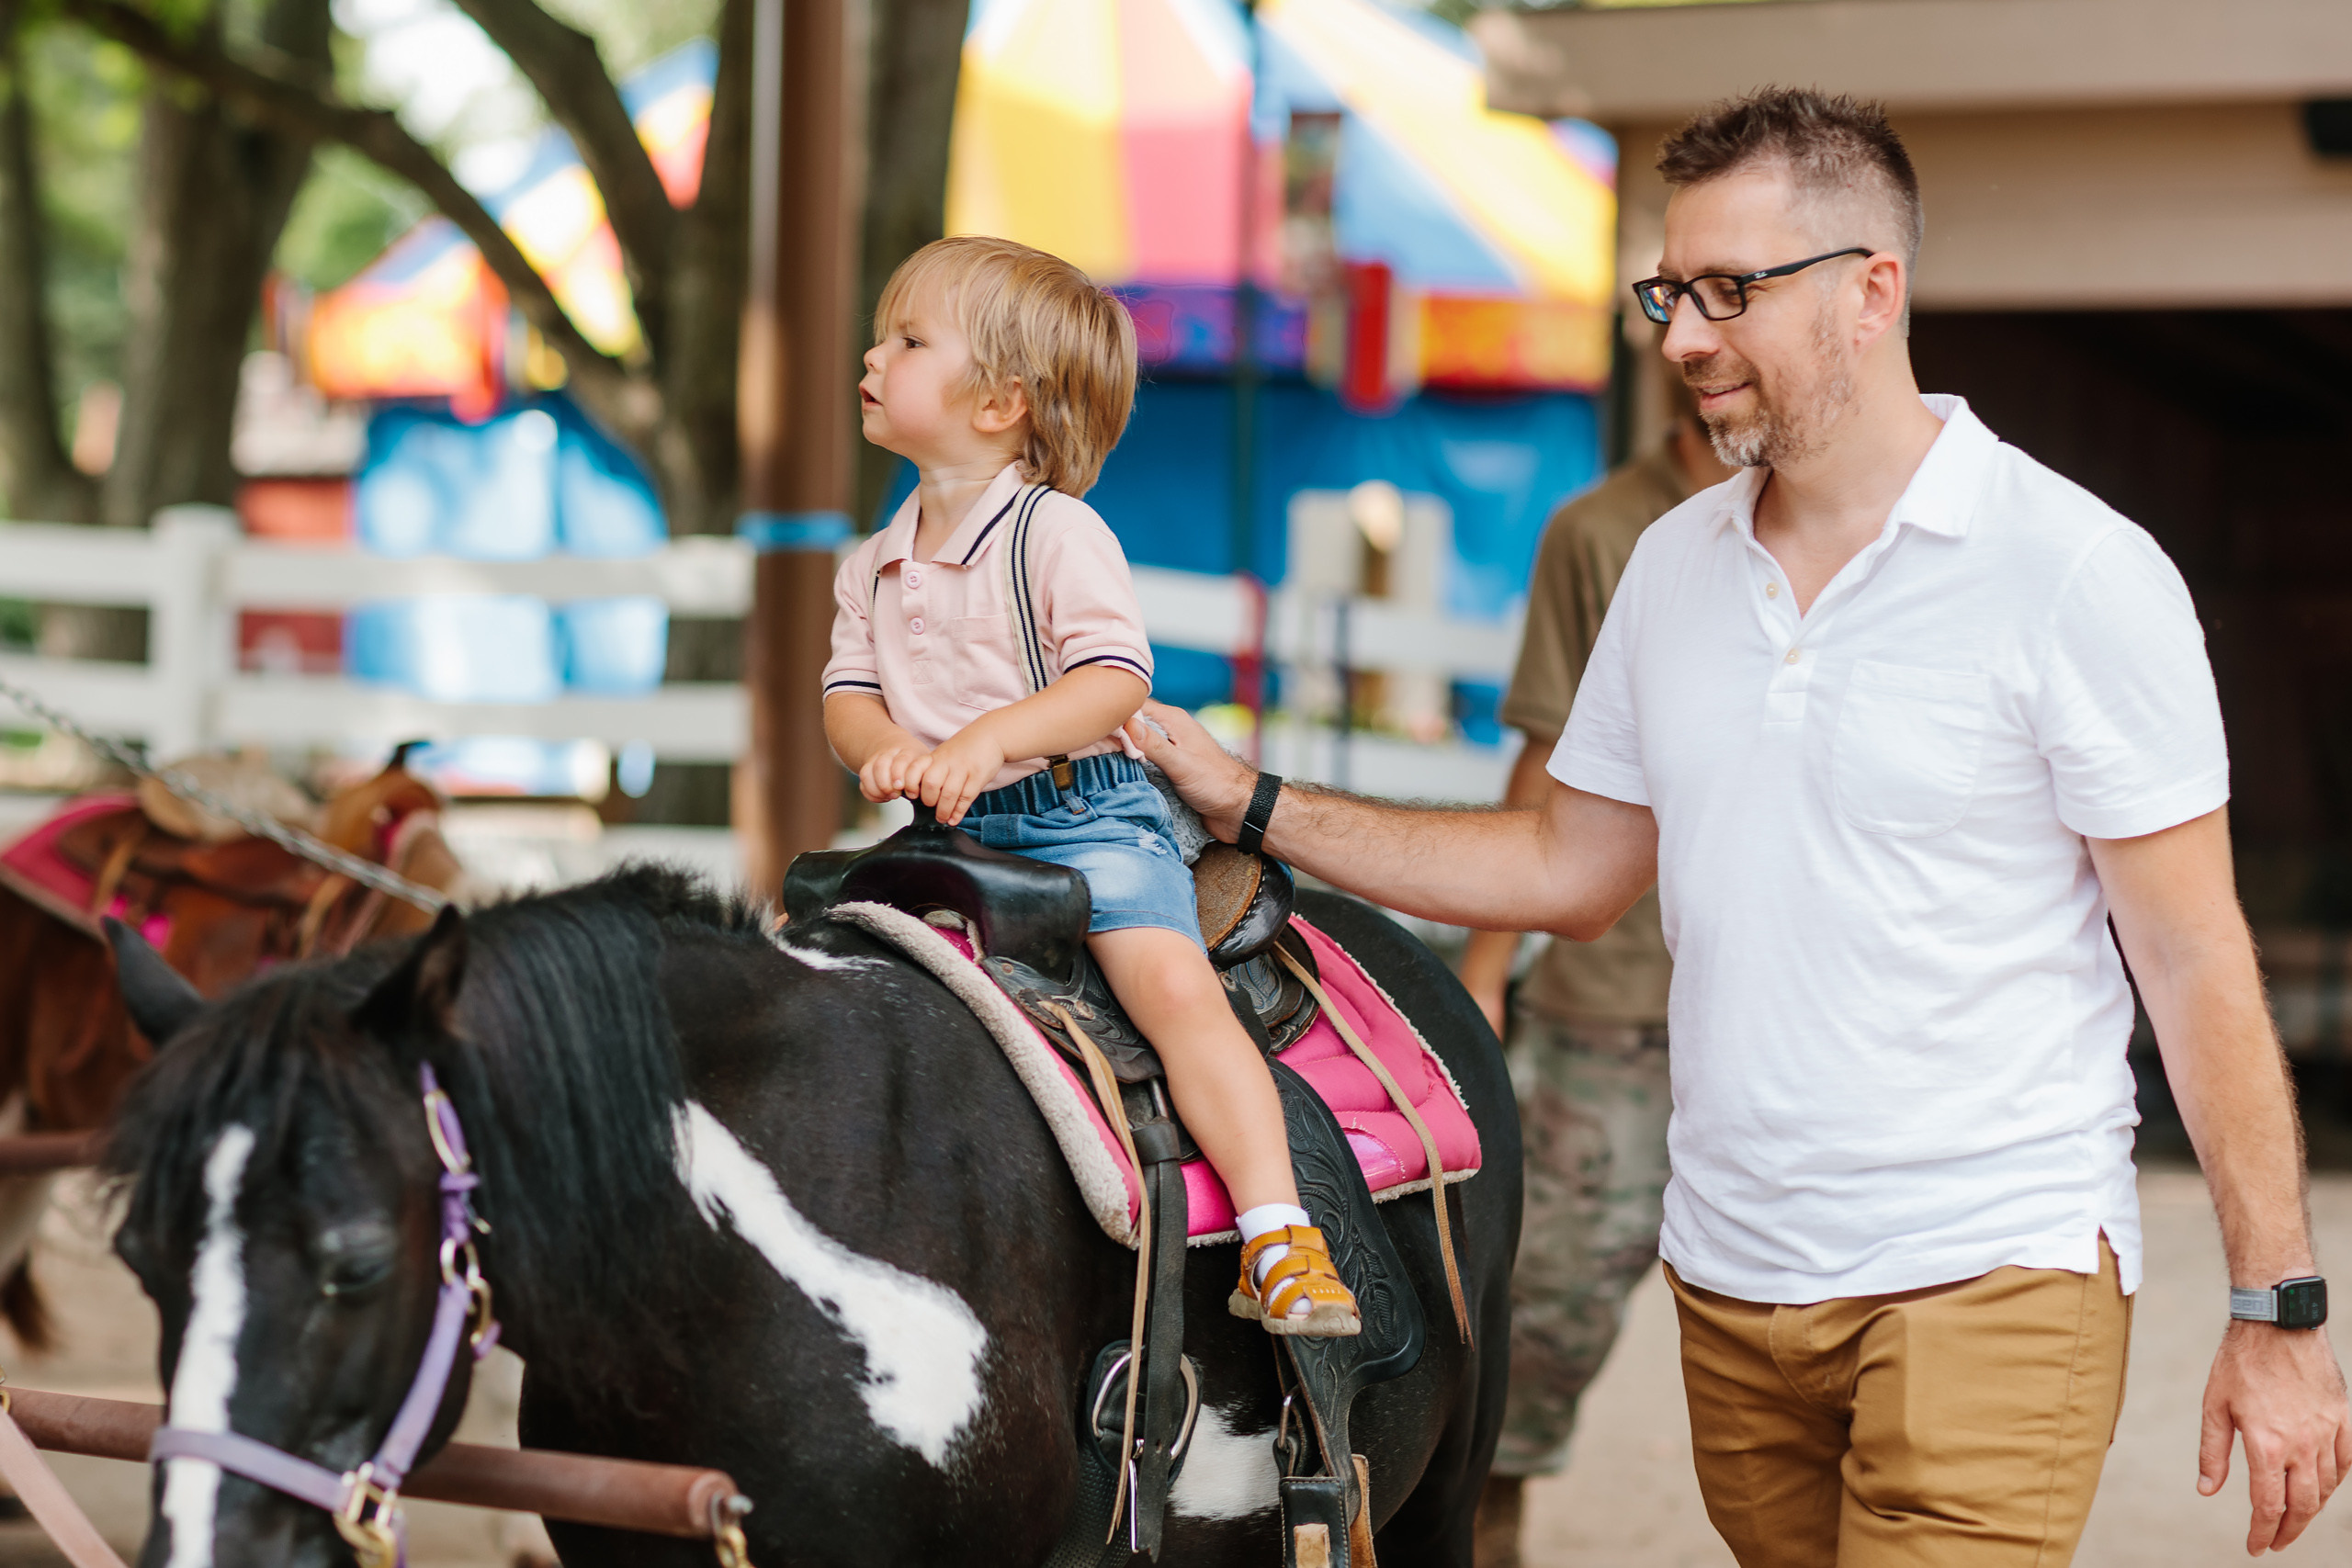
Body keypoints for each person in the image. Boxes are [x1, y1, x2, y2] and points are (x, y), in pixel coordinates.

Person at [1135, 88, 2352, 1564]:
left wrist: (2276, 1307)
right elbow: (1562, 867)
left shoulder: (2077, 571)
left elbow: (2195, 953)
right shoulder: (1668, 564)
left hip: (1993, 1272)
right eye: (1671, 290)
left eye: (1730, 291)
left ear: (1870, 292)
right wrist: (1254, 800)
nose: (1681, 335)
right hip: (1736, 1285)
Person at [821, 234, 1359, 1336]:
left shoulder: (1055, 532)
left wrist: (992, 739)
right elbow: (847, 691)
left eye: (910, 340)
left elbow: (1113, 680)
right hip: (948, 825)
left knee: (1171, 995)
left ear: (999, 405)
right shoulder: (872, 558)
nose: (873, 357)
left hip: (1080, 816)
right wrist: (876, 744)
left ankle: (1278, 1234)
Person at [1456, 376, 1734, 1566]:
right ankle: (1479, 1515)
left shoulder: (1857, 518)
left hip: (1790, 994)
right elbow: (1547, 761)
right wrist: (1482, 969)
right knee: (1555, 1297)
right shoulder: (1603, 531)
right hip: (1615, 991)